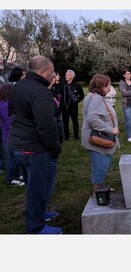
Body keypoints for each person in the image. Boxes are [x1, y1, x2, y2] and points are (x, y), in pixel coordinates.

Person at [8, 55, 63, 234]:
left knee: (33, 185)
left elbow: (12, 113)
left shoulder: (18, 87)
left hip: (18, 145)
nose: (54, 75)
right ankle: (36, 228)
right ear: (43, 71)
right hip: (36, 149)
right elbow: (46, 126)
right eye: (52, 71)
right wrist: (55, 148)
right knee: (39, 188)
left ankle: (39, 214)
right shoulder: (41, 92)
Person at [81, 74, 120, 196]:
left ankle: (100, 188)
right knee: (100, 166)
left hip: (101, 137)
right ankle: (98, 193)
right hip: (100, 138)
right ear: (101, 86)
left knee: (102, 165)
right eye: (108, 85)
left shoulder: (94, 96)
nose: (110, 88)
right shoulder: (96, 99)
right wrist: (110, 129)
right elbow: (92, 119)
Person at [60, 69, 84, 140]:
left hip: (73, 108)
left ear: (72, 76)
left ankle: (76, 136)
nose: (66, 76)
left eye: (68, 75)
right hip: (64, 107)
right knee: (65, 122)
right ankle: (66, 136)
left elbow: (82, 95)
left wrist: (77, 101)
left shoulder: (77, 85)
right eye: (65, 74)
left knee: (75, 121)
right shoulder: (62, 84)